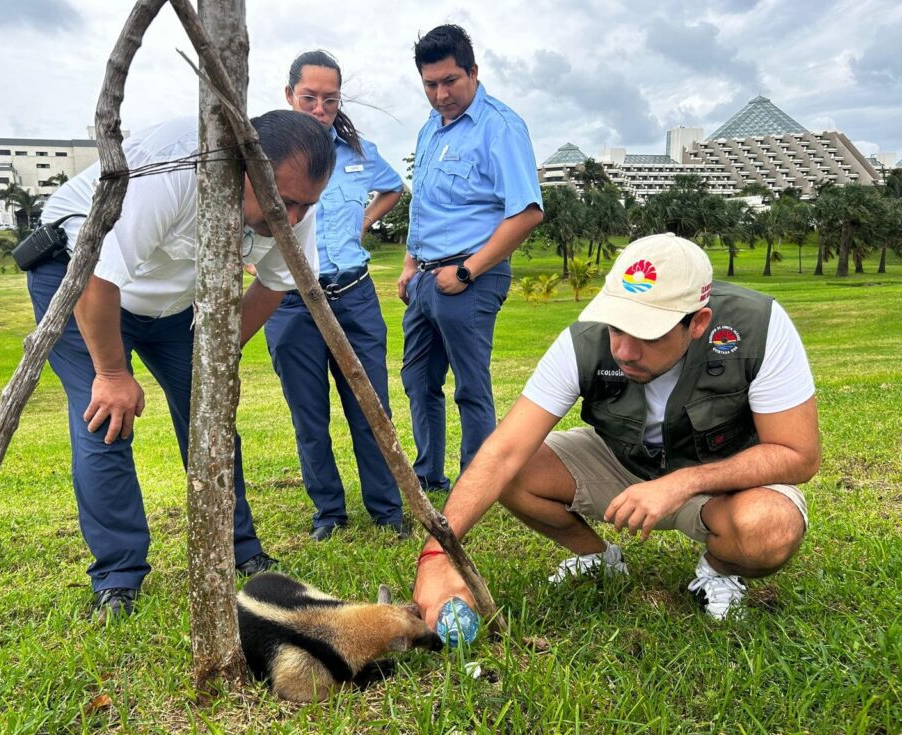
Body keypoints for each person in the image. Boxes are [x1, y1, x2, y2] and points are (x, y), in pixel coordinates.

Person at [413, 234, 820, 621]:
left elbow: (798, 455)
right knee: (512, 469)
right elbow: (503, 452)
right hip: (624, 463)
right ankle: (598, 558)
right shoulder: (584, 341)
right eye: (616, 326)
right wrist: (437, 554)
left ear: (698, 323)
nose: (622, 350)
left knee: (770, 528)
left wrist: (683, 483)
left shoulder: (759, 327)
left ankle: (717, 570)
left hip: (722, 482)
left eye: (646, 333)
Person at [27, 110, 335, 619]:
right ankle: (118, 576)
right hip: (80, 280)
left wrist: (220, 355)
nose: (296, 217)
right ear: (244, 167)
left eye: (308, 204)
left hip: (173, 303)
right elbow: (99, 276)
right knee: (105, 418)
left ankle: (239, 547)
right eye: (287, 201)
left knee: (210, 417)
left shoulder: (293, 205)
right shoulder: (173, 166)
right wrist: (111, 374)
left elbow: (275, 283)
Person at [264, 51, 406, 542]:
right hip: (290, 302)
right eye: (309, 97)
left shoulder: (358, 152)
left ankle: (388, 511)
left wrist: (362, 225)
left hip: (354, 297)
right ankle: (329, 513)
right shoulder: (265, 156)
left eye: (330, 99)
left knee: (372, 409)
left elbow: (393, 188)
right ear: (290, 96)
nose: (320, 108)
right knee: (310, 416)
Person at [396, 24, 543, 493]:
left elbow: (527, 212)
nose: (441, 95)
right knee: (418, 382)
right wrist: (408, 266)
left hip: (470, 276)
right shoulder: (429, 131)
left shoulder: (500, 126)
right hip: (424, 278)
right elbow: (425, 205)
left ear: (474, 72)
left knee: (470, 388)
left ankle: (476, 487)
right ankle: (428, 478)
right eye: (430, 85)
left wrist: (466, 271)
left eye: (450, 81)